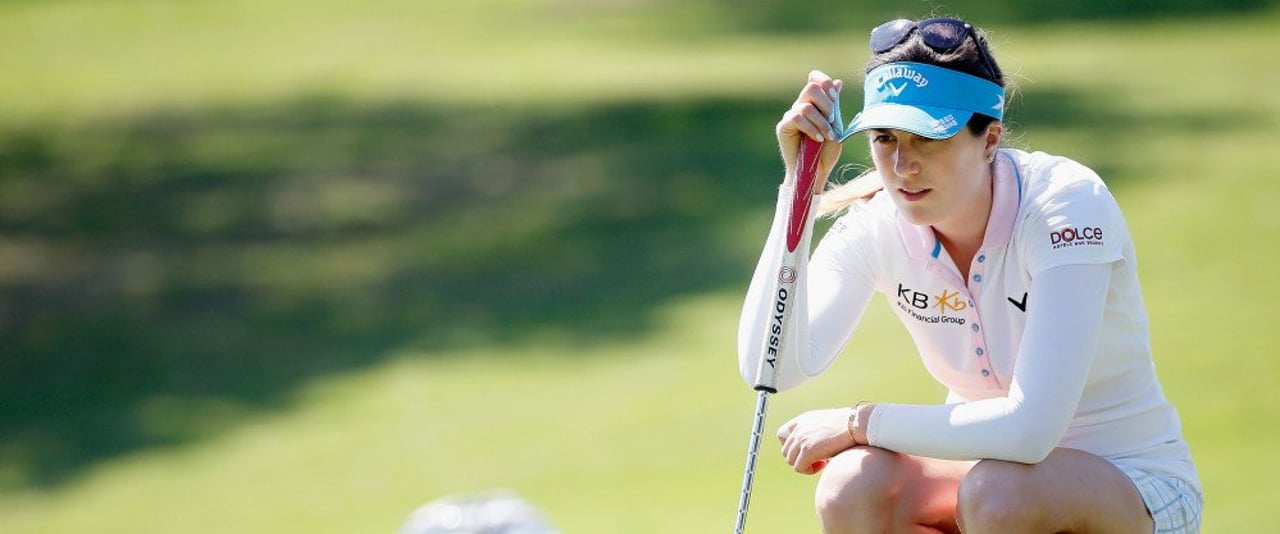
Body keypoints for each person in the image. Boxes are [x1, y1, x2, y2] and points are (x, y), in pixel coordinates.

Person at [737, 17, 1202, 533]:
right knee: (854, 486)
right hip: (983, 482)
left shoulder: (1065, 204)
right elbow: (771, 369)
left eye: (928, 139)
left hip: (1133, 483)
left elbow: (1030, 432)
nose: (902, 165)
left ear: (989, 139)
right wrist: (800, 188)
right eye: (885, 138)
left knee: (999, 494)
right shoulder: (875, 224)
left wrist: (859, 422)